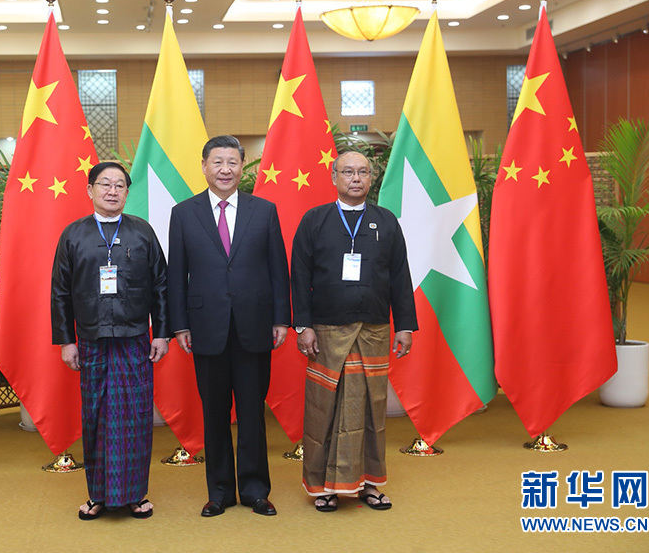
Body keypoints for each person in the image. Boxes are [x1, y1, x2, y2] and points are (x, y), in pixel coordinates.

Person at [167, 135, 291, 517]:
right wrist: (179, 325)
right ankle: (219, 492)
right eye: (217, 162)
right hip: (206, 327)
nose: (225, 169)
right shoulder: (183, 213)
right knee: (215, 413)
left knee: (252, 413)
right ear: (204, 166)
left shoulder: (264, 210)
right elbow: (176, 275)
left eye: (232, 162)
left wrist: (281, 318)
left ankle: (255, 490)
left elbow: (278, 268)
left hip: (255, 325)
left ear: (242, 166)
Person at [290, 149, 417, 512]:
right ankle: (323, 487)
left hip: (373, 330)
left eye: (363, 172)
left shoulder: (386, 221)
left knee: (371, 410)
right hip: (326, 332)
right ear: (334, 177)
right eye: (348, 172)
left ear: (372, 178)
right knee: (324, 409)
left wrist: (404, 325)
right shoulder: (315, 220)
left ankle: (369, 484)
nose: (356, 178)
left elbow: (400, 276)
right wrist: (303, 326)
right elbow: (299, 275)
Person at [51, 161, 169, 521]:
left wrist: (162, 333)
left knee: (134, 417)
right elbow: (60, 292)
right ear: (90, 190)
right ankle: (98, 495)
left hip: (135, 340)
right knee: (97, 416)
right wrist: (66, 341)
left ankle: (135, 494)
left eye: (120, 185)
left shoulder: (142, 232)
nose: (112, 191)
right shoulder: (73, 235)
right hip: (91, 340)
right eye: (105, 184)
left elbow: (161, 287)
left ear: (127, 193)